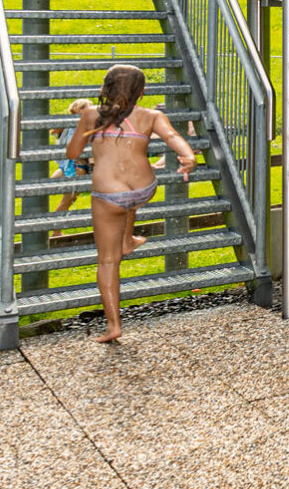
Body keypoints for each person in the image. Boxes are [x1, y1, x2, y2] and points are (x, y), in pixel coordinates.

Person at [64, 63, 197, 343]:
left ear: (105, 89)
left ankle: (113, 326)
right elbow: (172, 136)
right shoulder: (151, 115)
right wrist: (188, 156)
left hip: (109, 195)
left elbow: (73, 152)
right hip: (143, 188)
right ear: (142, 92)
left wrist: (88, 136)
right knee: (128, 202)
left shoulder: (90, 115)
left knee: (108, 261)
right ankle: (127, 239)